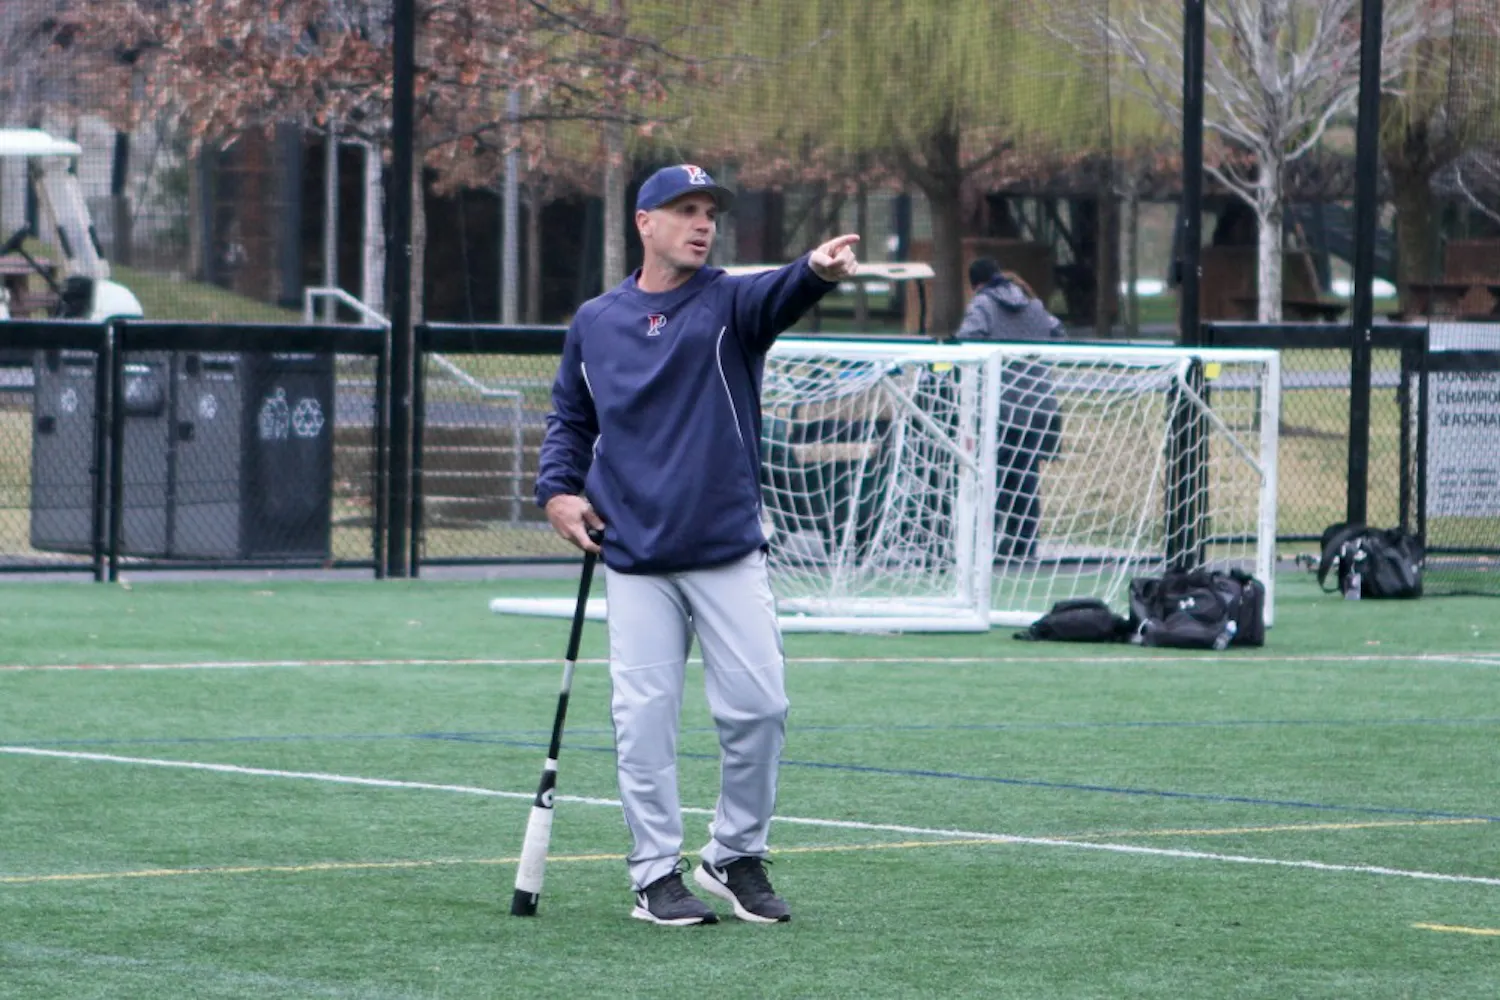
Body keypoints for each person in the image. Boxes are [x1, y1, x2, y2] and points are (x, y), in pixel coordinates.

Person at [534, 163, 859, 926]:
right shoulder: (597, 320)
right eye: (685, 210)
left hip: (725, 549)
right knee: (643, 720)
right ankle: (654, 876)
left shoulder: (730, 304)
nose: (702, 222)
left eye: (709, 211)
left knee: (760, 708)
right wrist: (558, 491)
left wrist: (815, 270)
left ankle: (732, 856)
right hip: (634, 554)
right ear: (644, 223)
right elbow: (570, 419)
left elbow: (780, 289)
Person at [955, 257, 1064, 561]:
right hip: (1039, 404)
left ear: (975, 284)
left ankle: (991, 540)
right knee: (1027, 474)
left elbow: (967, 340)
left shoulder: (983, 306)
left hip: (1000, 405)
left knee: (996, 475)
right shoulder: (1034, 305)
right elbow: (1058, 332)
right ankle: (1024, 545)